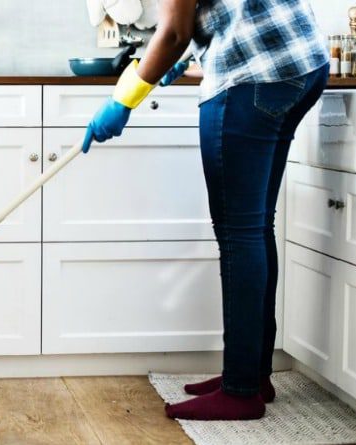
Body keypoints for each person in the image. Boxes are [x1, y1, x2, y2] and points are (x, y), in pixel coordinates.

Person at [83, 0, 329, 421]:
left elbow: (174, 31)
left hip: (254, 76)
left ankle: (240, 392)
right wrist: (198, 55)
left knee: (240, 233)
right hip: (300, 65)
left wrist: (124, 97)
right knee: (254, 227)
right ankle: (251, 373)